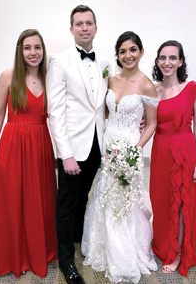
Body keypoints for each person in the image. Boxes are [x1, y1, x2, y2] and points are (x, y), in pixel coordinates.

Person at [81, 31, 158, 284]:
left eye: (133, 50)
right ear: (117, 55)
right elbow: (100, 112)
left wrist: (135, 150)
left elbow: (151, 124)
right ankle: (101, 243)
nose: (128, 55)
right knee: (104, 192)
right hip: (108, 144)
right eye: (123, 51)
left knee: (126, 198)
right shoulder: (110, 80)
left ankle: (126, 250)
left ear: (141, 52)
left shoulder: (147, 85)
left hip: (130, 149)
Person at [46, 5, 110, 284]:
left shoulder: (106, 61)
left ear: (96, 27)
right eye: (79, 24)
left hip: (97, 143)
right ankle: (66, 261)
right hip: (72, 147)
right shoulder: (58, 61)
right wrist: (66, 154)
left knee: (84, 197)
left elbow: (106, 103)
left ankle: (77, 239)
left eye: (89, 23)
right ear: (71, 29)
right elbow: (55, 111)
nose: (84, 27)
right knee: (67, 203)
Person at [0, 29, 58, 278]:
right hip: (13, 143)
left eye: (37, 47)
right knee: (13, 201)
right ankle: (14, 255)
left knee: (39, 200)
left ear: (43, 50)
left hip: (40, 145)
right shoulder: (8, 76)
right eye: (27, 47)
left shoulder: (50, 78)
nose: (33, 53)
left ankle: (39, 252)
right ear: (20, 51)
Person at [150, 40, 196, 276]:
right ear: (157, 61)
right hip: (161, 151)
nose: (167, 62)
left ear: (181, 61)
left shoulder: (194, 89)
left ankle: (178, 253)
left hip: (185, 150)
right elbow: (149, 121)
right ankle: (165, 246)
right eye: (163, 58)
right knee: (162, 201)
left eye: (173, 58)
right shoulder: (153, 90)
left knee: (183, 205)